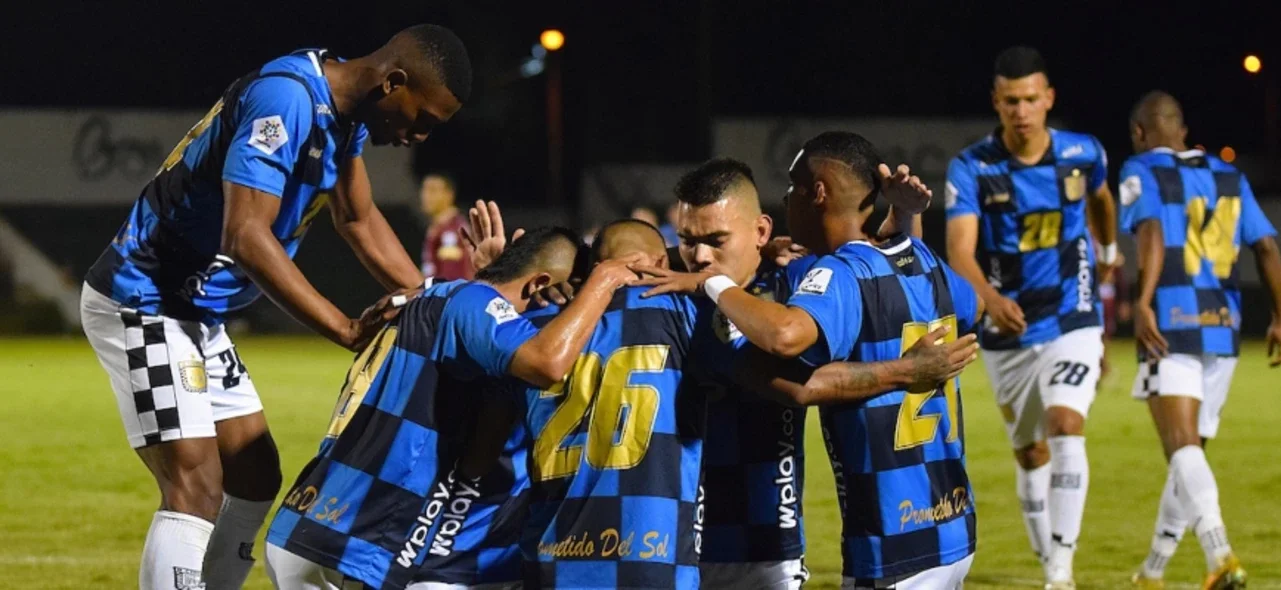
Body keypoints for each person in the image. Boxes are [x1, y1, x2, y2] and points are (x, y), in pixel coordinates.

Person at [78, 24, 473, 590]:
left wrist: (438, 305)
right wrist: (341, 325)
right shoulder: (287, 98)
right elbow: (246, 236)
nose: (419, 136)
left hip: (194, 312)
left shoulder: (341, 115)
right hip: (144, 295)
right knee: (196, 485)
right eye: (422, 119)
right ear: (394, 82)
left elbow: (358, 220)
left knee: (257, 475)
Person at [638, 132, 983, 589]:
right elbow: (964, 302)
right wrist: (904, 223)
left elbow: (794, 367)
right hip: (948, 524)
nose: (700, 256)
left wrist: (716, 288)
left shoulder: (811, 279)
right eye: (686, 240)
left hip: (779, 545)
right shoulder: (912, 257)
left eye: (716, 240)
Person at [264, 226, 641, 590]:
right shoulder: (472, 304)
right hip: (351, 536)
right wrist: (602, 282)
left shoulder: (437, 295)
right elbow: (546, 363)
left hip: (315, 517)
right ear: (539, 283)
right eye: (557, 294)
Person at [944, 46, 1118, 589]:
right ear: (997, 103)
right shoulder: (973, 166)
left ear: (1048, 99)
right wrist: (991, 302)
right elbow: (960, 252)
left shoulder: (1083, 153)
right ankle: (1052, 566)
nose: (1021, 110)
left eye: (1030, 99)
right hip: (1007, 328)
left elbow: (1102, 200)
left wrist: (1109, 252)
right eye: (1011, 101)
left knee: (1067, 425)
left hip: (1072, 313)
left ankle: (1060, 573)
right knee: (1030, 449)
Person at [1121, 91, 1281, 590]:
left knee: (1181, 448)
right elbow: (1268, 245)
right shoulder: (1229, 175)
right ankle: (1153, 571)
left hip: (1171, 322)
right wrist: (1279, 315)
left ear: (1140, 133)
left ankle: (1221, 555)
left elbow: (1149, 231)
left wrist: (1143, 302)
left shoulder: (1140, 168)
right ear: (1183, 131)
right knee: (1187, 456)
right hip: (1223, 326)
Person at [420, 173, 476, 280]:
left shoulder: (451, 231)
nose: (426, 196)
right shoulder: (438, 227)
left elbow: (451, 276)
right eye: (424, 190)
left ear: (449, 194)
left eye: (433, 190)